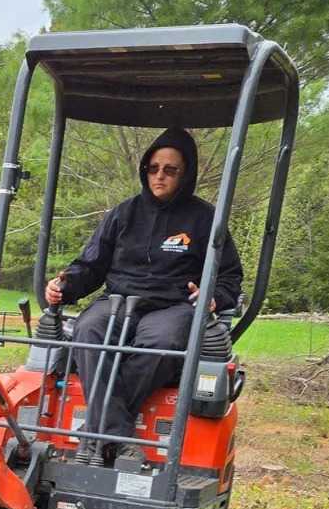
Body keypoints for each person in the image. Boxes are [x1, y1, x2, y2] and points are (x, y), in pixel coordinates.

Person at [44, 127, 242, 462]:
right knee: (89, 329)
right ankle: (119, 437)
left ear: (186, 173)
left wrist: (213, 297)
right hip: (120, 299)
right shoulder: (124, 213)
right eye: (153, 168)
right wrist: (64, 286)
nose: (159, 176)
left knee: (161, 342)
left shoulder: (205, 219)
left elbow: (229, 277)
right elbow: (91, 265)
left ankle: (94, 438)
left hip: (174, 304)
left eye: (169, 170)